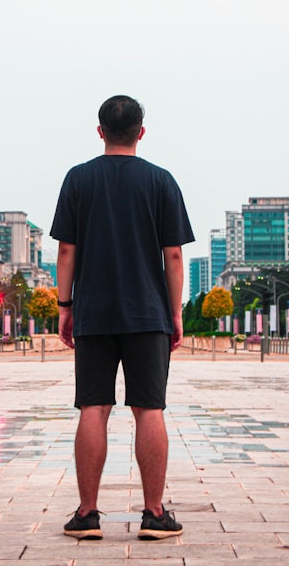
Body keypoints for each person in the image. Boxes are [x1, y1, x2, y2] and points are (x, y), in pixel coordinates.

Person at [50, 94, 194, 540]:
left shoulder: (78, 179)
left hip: (93, 311)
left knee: (93, 407)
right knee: (149, 409)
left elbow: (66, 250)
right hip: (148, 314)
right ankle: (153, 514)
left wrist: (65, 305)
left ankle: (87, 515)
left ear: (100, 132)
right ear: (141, 132)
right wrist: (175, 312)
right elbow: (173, 255)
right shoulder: (161, 181)